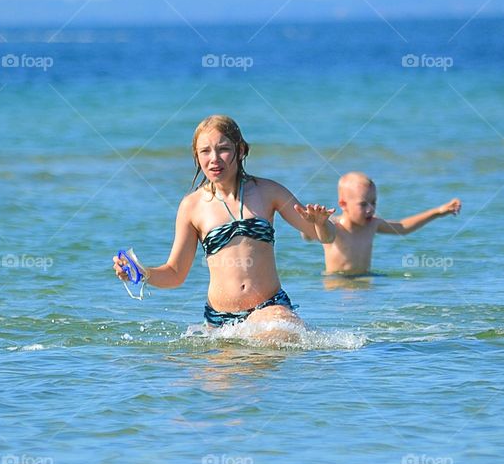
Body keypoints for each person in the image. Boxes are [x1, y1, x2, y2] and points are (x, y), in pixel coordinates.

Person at [112, 114, 336, 327]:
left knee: (283, 333)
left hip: (270, 308)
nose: (214, 159)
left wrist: (319, 223)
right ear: (197, 156)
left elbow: (327, 237)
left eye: (223, 149)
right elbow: (175, 273)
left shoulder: (268, 192)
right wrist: (143, 272)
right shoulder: (192, 206)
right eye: (205, 151)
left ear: (240, 150)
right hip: (219, 321)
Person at [306, 171, 461, 275]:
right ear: (343, 204)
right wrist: (312, 226)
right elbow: (322, 235)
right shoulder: (334, 225)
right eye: (363, 204)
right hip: (336, 282)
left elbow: (403, 227)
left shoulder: (372, 225)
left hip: (365, 279)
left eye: (373, 203)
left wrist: (437, 212)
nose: (370, 209)